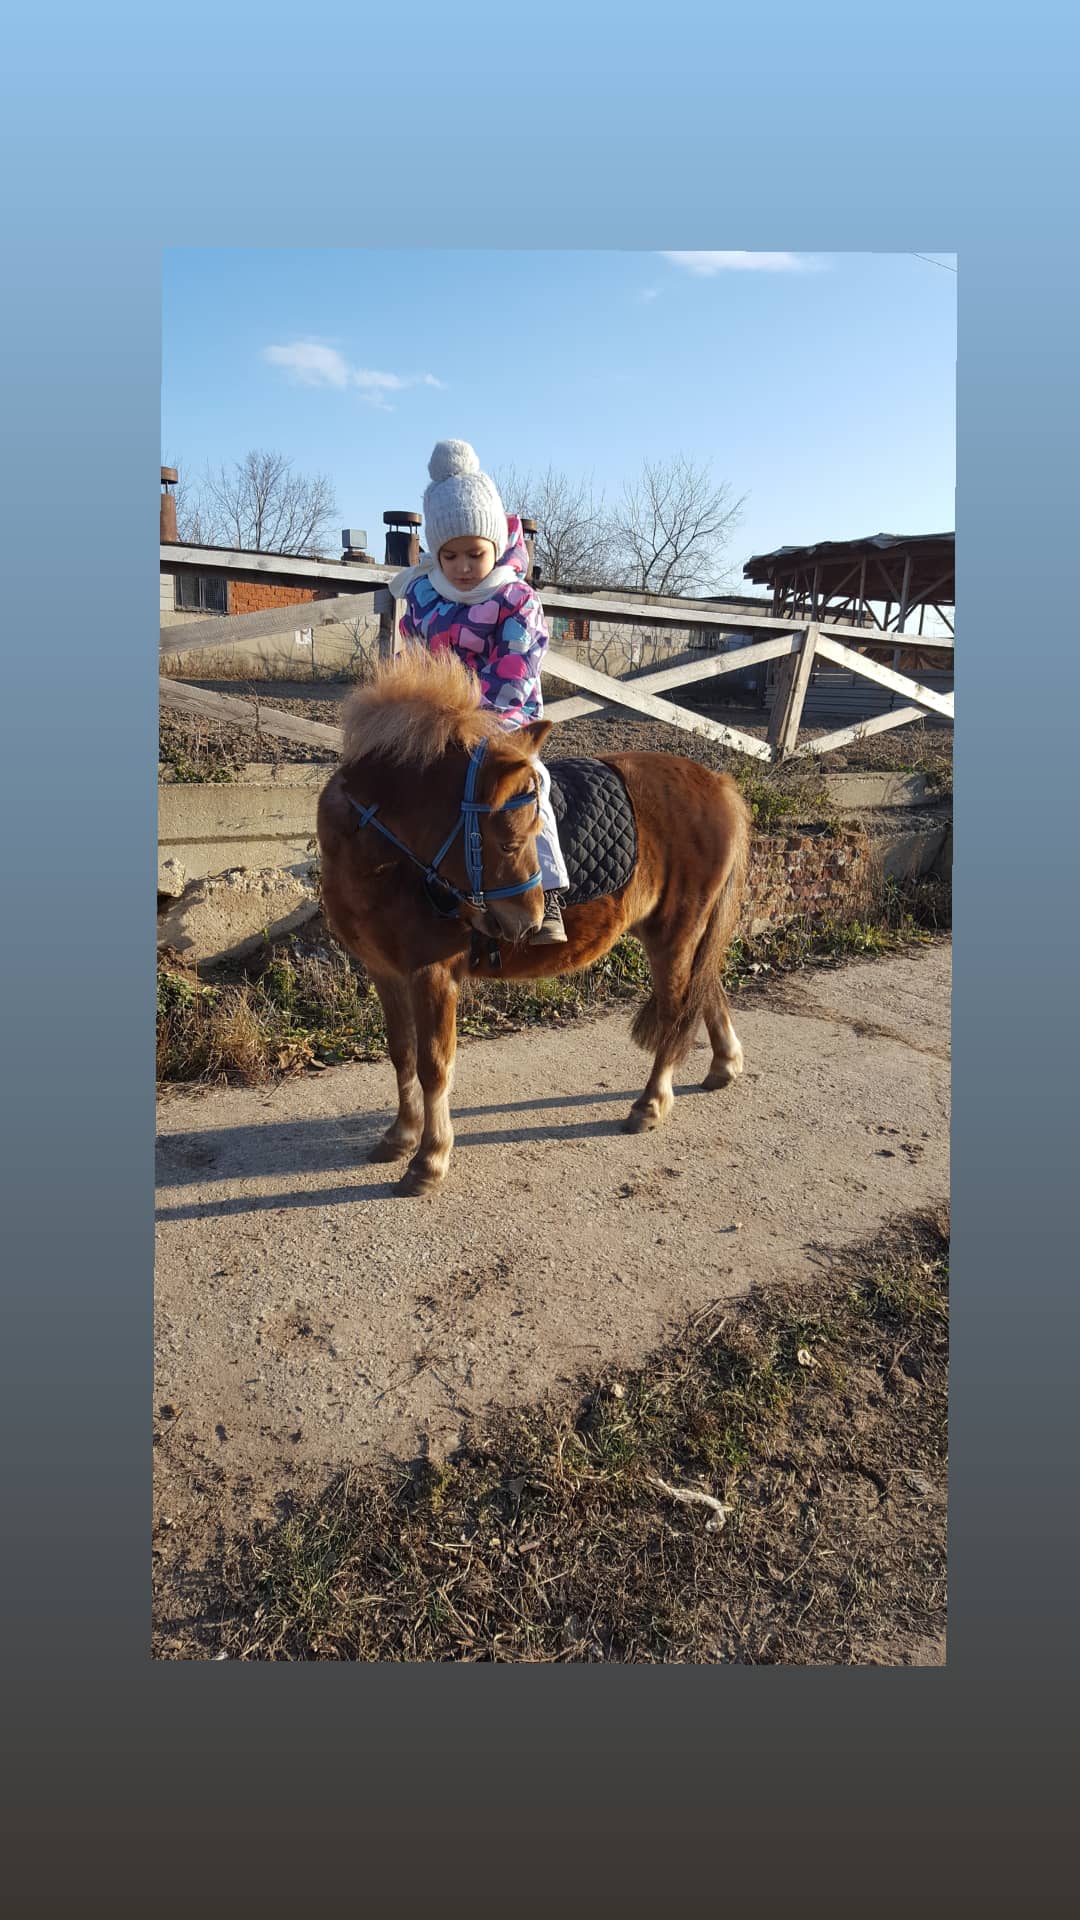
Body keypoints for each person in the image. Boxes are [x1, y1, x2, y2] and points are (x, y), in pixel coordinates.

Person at [389, 439, 570, 943]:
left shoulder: (516, 599)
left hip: (502, 722)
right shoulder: (425, 596)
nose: (464, 566)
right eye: (450, 555)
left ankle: (549, 890)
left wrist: (473, 726)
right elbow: (413, 660)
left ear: (495, 545)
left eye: (475, 553)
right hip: (438, 725)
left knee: (531, 785)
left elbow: (513, 671)